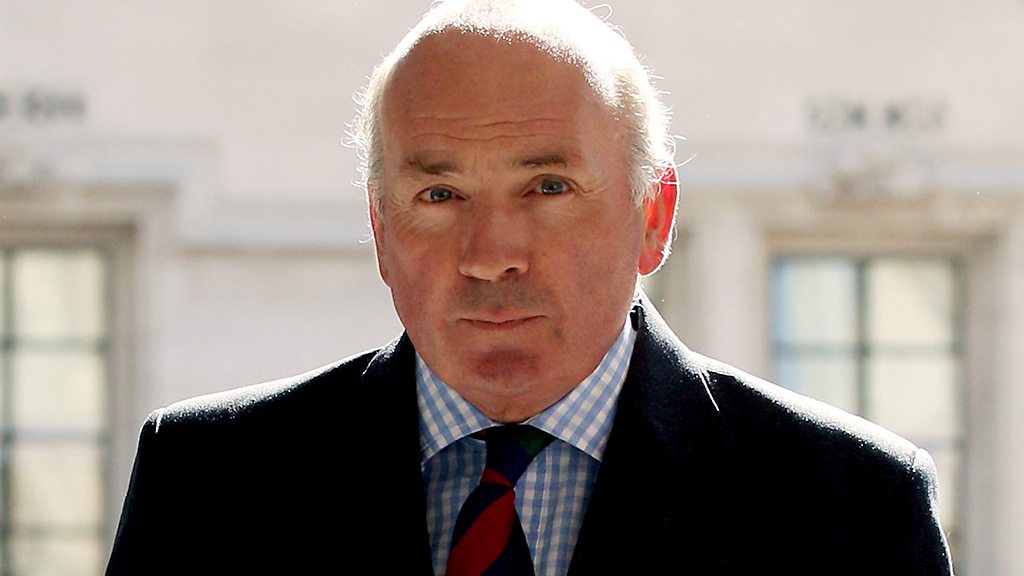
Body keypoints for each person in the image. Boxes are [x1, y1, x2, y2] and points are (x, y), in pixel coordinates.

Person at [106, 0, 954, 574]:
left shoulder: (850, 508)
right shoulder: (207, 483)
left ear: (653, 215)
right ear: (379, 227)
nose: (490, 255)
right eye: (440, 195)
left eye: (548, 188)